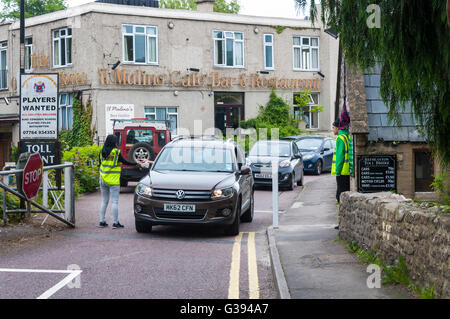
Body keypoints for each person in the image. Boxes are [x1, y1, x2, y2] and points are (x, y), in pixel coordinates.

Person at [98, 135, 151, 229]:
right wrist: (137, 163)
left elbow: (99, 164)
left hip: (102, 179)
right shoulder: (116, 152)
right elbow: (126, 162)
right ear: (114, 142)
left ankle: (102, 221)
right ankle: (115, 223)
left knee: (104, 201)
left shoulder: (101, 152)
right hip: (113, 180)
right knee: (114, 202)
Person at [331, 118, 351, 204]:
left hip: (342, 171)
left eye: (333, 127)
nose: (332, 129)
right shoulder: (346, 136)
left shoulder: (340, 138)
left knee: (340, 194)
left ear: (338, 128)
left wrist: (337, 171)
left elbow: (340, 155)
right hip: (347, 170)